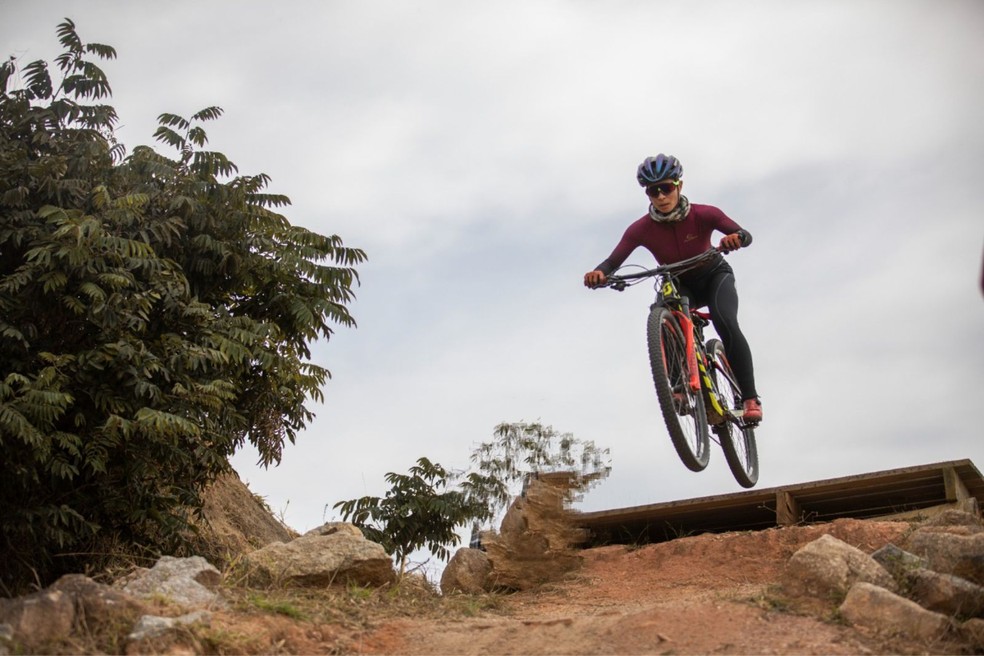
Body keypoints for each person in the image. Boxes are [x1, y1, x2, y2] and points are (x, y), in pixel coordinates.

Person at [583, 154, 762, 422]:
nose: (660, 197)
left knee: (725, 321)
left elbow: (743, 234)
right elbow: (613, 261)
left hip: (713, 276)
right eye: (652, 192)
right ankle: (679, 387)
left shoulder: (704, 214)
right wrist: (599, 274)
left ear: (679, 185)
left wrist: (735, 238)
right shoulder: (640, 229)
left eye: (666, 188)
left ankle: (750, 398)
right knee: (661, 309)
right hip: (680, 284)